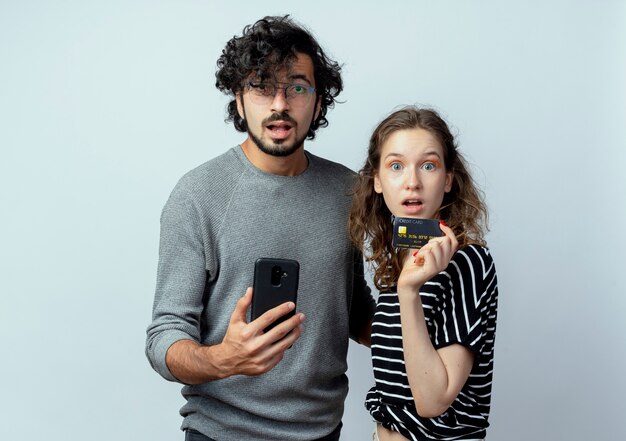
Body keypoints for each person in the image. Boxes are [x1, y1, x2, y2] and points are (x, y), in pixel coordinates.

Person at [145, 15, 375, 441]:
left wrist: (419, 319)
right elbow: (164, 336)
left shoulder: (350, 191)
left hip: (323, 431)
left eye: (297, 87)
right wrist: (223, 359)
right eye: (261, 86)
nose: (280, 105)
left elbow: (353, 308)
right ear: (238, 98)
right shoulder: (198, 195)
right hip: (221, 432)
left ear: (319, 101)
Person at [349, 107, 499, 441]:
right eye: (396, 166)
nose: (412, 182)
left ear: (447, 179)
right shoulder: (397, 260)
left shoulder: (466, 262)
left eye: (428, 165)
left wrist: (409, 292)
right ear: (376, 180)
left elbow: (432, 401)